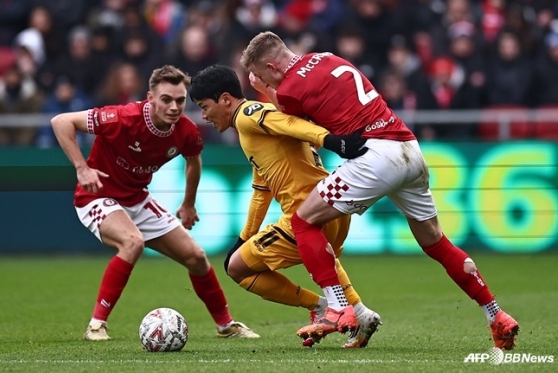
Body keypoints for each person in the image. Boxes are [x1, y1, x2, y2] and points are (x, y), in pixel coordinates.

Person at [240, 31, 519, 350]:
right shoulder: (328, 57)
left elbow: (291, 122)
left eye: (264, 78)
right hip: (408, 147)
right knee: (437, 243)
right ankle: (497, 315)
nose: (267, 84)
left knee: (304, 222)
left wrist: (265, 91)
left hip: (375, 156)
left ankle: (337, 308)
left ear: (273, 68)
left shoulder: (287, 87)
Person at [50, 64, 259, 341]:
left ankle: (226, 326)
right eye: (166, 99)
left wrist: (188, 204)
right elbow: (61, 122)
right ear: (150, 98)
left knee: (196, 258)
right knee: (132, 242)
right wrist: (81, 167)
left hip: (137, 199)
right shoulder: (121, 117)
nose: (174, 107)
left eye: (180, 100)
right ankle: (97, 325)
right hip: (98, 196)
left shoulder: (185, 131)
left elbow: (193, 161)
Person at [188, 64, 381, 348]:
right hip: (334, 210)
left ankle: (320, 306)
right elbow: (261, 189)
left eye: (205, 106)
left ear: (226, 99)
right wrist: (244, 236)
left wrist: (329, 140)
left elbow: (287, 124)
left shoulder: (247, 116)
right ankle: (360, 314)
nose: (203, 116)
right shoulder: (252, 130)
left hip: (306, 214)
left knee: (236, 268)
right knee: (321, 258)